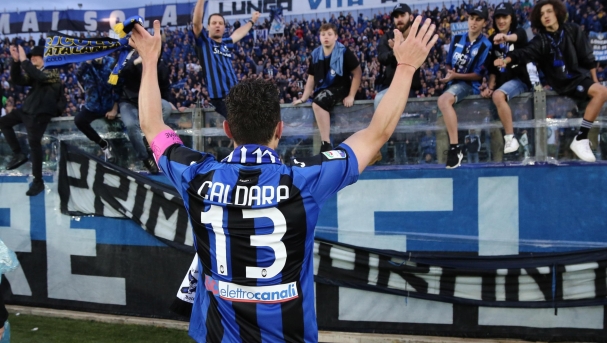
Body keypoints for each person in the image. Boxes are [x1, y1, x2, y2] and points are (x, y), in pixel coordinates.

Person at [129, 16, 436, 343]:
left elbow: (151, 126)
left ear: (228, 130)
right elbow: (377, 134)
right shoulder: (304, 182)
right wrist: (405, 67)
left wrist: (149, 60)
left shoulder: (196, 176)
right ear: (279, 129)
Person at [497, 0, 607, 162]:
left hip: (579, 79)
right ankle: (581, 139)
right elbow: (524, 53)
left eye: (549, 11)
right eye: (542, 14)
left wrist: (595, 80)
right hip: (561, 83)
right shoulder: (540, 40)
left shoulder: (573, 30)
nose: (546, 16)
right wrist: (506, 60)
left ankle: (581, 139)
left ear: (557, 13)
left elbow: (588, 58)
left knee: (601, 92)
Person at [1, 45, 60, 196]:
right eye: (31, 55)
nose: (33, 57)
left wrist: (24, 61)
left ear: (44, 58)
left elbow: (40, 77)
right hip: (26, 111)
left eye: (36, 55)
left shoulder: (52, 72)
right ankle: (18, 153)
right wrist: (15, 62)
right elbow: (18, 80)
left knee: (34, 145)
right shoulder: (35, 73)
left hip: (39, 114)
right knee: (3, 122)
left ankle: (38, 181)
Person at [294, 23, 362, 153]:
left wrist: (351, 95)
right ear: (319, 37)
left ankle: (326, 144)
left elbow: (357, 73)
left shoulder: (344, 51)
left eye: (329, 34)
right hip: (322, 90)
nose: (326, 37)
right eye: (323, 34)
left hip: (340, 87)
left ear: (336, 37)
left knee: (318, 103)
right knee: (318, 101)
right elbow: (311, 78)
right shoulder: (315, 54)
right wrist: (303, 98)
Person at [437, 6, 491, 169]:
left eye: (478, 19)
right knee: (439, 123)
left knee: (444, 100)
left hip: (468, 86)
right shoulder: (457, 38)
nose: (473, 22)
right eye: (471, 18)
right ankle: (444, 160)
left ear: (484, 23)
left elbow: (479, 75)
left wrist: (456, 76)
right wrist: (449, 73)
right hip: (452, 84)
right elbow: (447, 63)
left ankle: (455, 148)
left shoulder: (486, 45)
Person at [191, 0, 260, 118]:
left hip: (236, 94)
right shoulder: (205, 43)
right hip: (221, 98)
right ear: (208, 27)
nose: (217, 25)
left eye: (220, 23)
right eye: (213, 23)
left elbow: (238, 34)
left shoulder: (226, 43)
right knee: (240, 127)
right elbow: (196, 24)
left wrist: (252, 21)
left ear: (224, 27)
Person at [481, 2, 532, 155]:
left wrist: (506, 37)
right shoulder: (491, 40)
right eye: (498, 17)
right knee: (495, 98)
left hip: (520, 81)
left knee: (498, 95)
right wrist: (490, 87)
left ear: (511, 18)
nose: (501, 21)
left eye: (505, 17)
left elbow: (519, 37)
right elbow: (492, 69)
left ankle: (511, 138)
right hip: (501, 85)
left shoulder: (519, 32)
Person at [119, 52, 173, 174]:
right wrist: (134, 63)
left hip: (150, 100)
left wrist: (170, 101)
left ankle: (148, 137)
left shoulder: (160, 65)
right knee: (131, 125)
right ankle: (145, 158)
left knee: (167, 107)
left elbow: (165, 87)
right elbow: (120, 76)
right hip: (129, 101)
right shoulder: (131, 59)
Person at [376, 3, 422, 108]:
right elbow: (381, 58)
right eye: (396, 16)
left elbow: (419, 58)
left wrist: (399, 47)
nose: (399, 19)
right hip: (389, 85)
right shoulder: (387, 37)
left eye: (402, 15)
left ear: (411, 17)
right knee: (379, 101)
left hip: (411, 88)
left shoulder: (418, 36)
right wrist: (395, 51)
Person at [73, 57, 120, 163]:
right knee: (79, 120)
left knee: (117, 134)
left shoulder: (111, 62)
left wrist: (114, 108)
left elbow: (118, 87)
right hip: (92, 106)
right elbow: (76, 76)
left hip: (109, 105)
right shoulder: (84, 64)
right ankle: (103, 145)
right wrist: (87, 62)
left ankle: (121, 157)